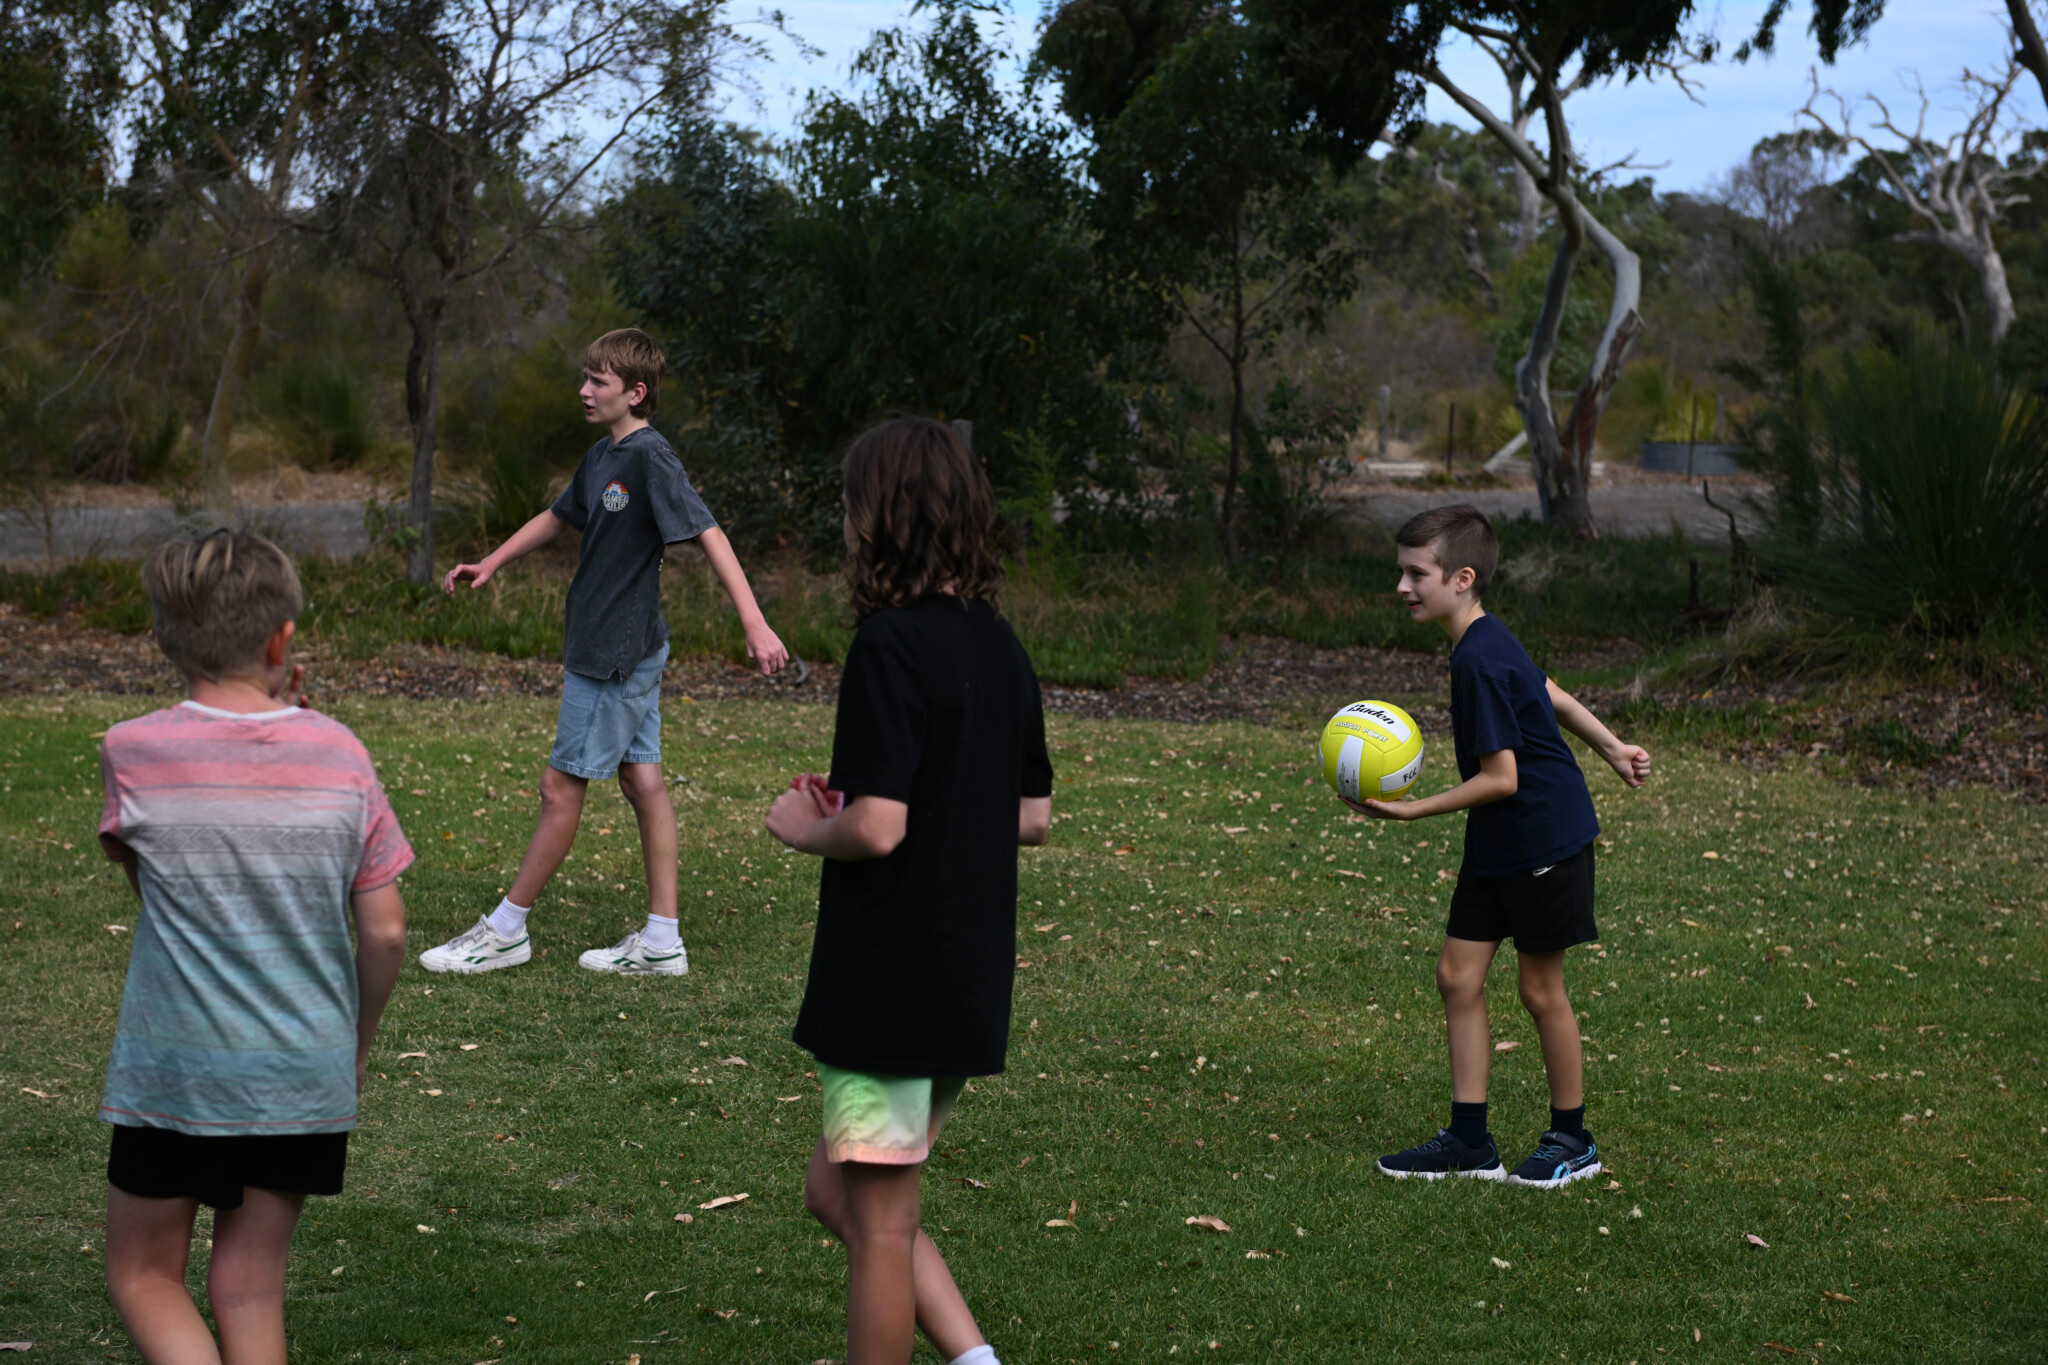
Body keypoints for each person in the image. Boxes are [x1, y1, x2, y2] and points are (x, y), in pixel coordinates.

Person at [765, 417, 1052, 1365]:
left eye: (850, 503)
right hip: (965, 976)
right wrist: (872, 800)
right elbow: (1030, 815)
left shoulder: (887, 645)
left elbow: (879, 828)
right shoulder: (1000, 645)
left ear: (880, 517)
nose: (844, 522)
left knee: (880, 1223)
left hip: (890, 980)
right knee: (836, 1192)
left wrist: (805, 825)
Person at [98, 529, 412, 1363]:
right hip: (301, 1071)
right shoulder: (342, 753)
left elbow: (151, 881)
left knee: (143, 1273)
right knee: (249, 1285)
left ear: (165, 637)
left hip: (176, 1070)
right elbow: (385, 930)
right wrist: (353, 1049)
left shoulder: (130, 750)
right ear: (282, 641)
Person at [422, 327, 788, 976]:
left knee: (559, 787)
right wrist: (494, 560)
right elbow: (559, 516)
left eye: (599, 381)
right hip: (614, 645)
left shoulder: (651, 457)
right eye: (586, 378)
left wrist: (754, 622)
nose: (584, 390)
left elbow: (708, 530)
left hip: (616, 653)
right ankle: (662, 941)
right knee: (642, 780)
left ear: (635, 392)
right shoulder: (602, 455)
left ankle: (505, 931)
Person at [1355, 505, 1650, 1187]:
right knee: (1458, 976)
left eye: (1416, 574)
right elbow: (1548, 691)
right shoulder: (1483, 636)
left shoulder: (1479, 660)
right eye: (1401, 571)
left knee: (1539, 989)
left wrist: (1412, 809)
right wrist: (1612, 747)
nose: (1402, 586)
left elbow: (1502, 777)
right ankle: (1469, 1142)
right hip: (1498, 837)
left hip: (1543, 834)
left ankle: (1573, 1140)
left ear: (1462, 578)